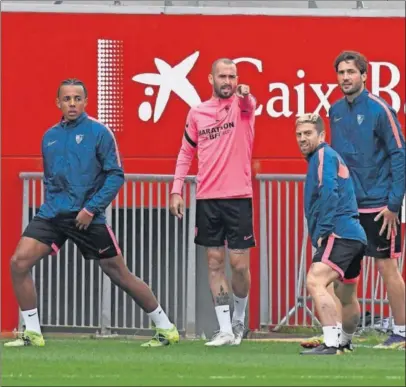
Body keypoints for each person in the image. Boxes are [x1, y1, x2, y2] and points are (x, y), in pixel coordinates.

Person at [4, 78, 179, 348]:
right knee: (18, 263)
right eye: (67, 99)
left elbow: (115, 176)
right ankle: (32, 333)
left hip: (88, 217)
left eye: (77, 98)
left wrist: (90, 209)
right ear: (58, 103)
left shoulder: (99, 132)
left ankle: (165, 328)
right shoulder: (49, 137)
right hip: (52, 215)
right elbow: (51, 179)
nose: (72, 103)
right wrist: (49, 208)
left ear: (85, 102)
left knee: (119, 273)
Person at [169, 59, 256, 346]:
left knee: (239, 265)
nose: (228, 81)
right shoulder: (197, 113)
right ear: (211, 78)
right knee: (215, 261)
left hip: (238, 198)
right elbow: (185, 153)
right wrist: (176, 189)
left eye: (232, 76)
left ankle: (239, 320)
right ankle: (225, 330)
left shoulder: (243, 107)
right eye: (223, 76)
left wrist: (243, 93)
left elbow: (247, 101)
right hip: (207, 198)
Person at [330, 51, 405, 349]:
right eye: (341, 72)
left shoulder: (379, 109)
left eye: (351, 72)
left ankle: (401, 332)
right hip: (348, 208)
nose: (346, 77)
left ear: (363, 75)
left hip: (380, 207)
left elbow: (399, 155)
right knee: (343, 276)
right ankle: (341, 336)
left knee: (387, 268)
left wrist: (393, 205)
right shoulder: (335, 110)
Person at [296, 113, 367, 355]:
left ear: (322, 135)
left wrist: (324, 231)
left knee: (315, 281)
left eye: (308, 133)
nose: (303, 138)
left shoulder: (323, 155)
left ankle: (330, 343)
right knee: (346, 294)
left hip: (339, 232)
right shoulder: (327, 156)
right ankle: (345, 341)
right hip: (355, 235)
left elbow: (329, 191)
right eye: (299, 134)